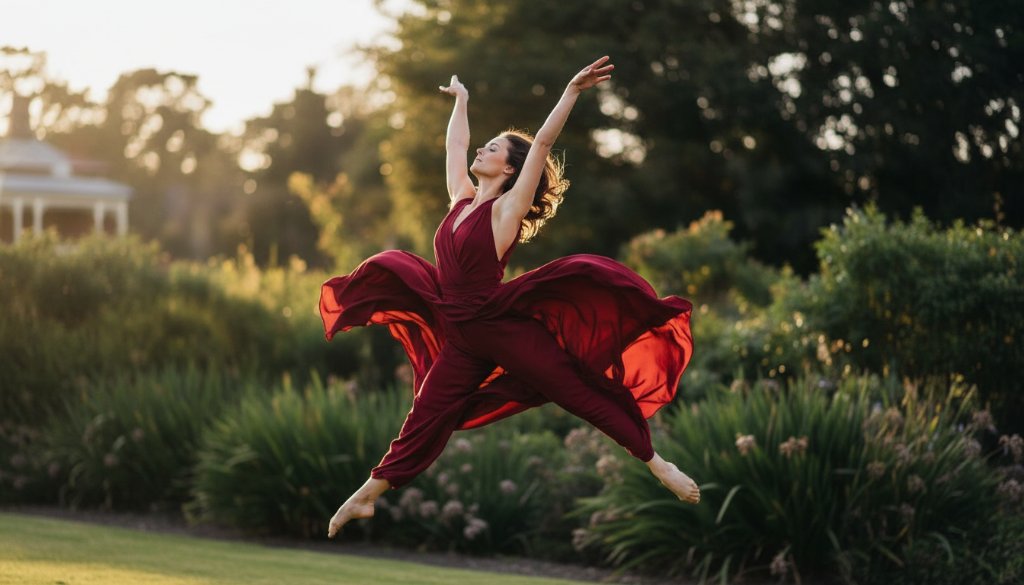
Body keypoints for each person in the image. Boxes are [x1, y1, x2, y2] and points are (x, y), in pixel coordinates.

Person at [322, 56, 699, 539]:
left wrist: (571, 91)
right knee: (426, 412)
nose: (482, 149)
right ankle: (366, 497)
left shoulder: (506, 212)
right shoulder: (461, 199)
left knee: (574, 390)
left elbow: (541, 143)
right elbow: (456, 143)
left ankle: (657, 464)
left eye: (493, 147)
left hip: (501, 327)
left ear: (510, 167)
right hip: (460, 334)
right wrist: (461, 102)